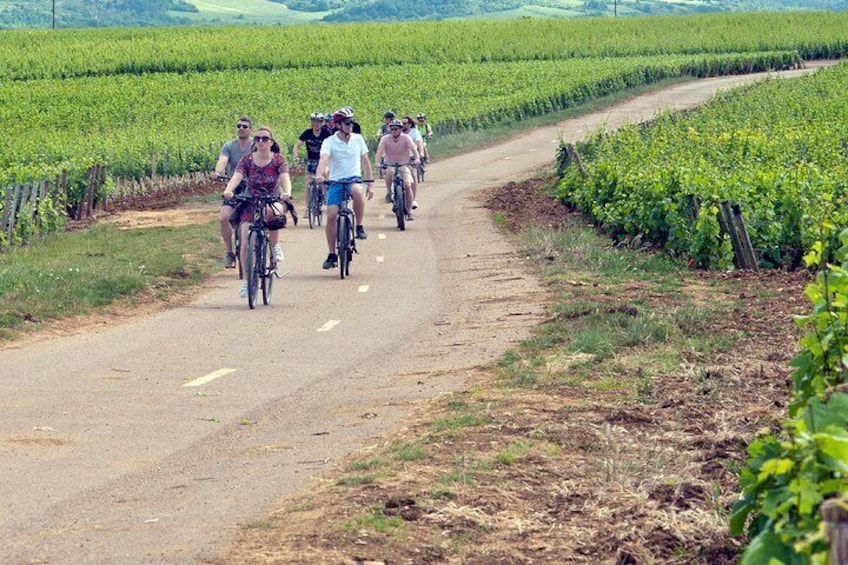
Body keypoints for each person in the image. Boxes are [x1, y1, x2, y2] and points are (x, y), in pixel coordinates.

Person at [222, 126, 292, 298]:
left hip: (271, 197)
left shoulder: (278, 160)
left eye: (264, 139)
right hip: (251, 200)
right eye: (258, 138)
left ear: (271, 142)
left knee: (273, 212)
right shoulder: (247, 160)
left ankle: (274, 246)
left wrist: (287, 192)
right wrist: (229, 190)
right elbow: (236, 177)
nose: (261, 142)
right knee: (245, 241)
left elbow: (285, 179)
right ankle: (247, 281)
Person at [315, 107, 375, 270]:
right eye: (347, 123)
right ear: (339, 125)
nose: (351, 126)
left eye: (352, 123)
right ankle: (331, 253)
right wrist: (319, 175)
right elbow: (323, 159)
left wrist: (370, 183)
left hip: (353, 178)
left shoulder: (358, 139)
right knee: (332, 214)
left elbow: (365, 162)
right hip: (335, 181)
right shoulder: (329, 142)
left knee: (357, 191)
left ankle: (359, 226)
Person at [209, 116, 254, 268]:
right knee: (223, 217)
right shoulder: (229, 146)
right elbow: (222, 161)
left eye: (244, 126)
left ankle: (260, 243)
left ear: (250, 129)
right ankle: (229, 252)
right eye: (239, 126)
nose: (241, 128)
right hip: (233, 187)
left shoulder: (255, 145)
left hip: (251, 187)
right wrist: (218, 172)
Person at [373, 119, 420, 220]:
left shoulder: (406, 138)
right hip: (390, 164)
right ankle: (389, 192)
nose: (394, 131)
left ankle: (409, 211)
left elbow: (413, 148)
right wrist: (377, 162)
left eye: (396, 129)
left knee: (408, 185)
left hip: (404, 164)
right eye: (392, 129)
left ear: (400, 130)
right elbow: (380, 151)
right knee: (389, 172)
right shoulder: (385, 139)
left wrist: (417, 158)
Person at [292, 112, 332, 215]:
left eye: (319, 122)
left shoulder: (326, 133)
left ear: (322, 123)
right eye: (314, 122)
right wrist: (296, 156)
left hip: (323, 160)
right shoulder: (307, 133)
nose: (316, 124)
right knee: (308, 181)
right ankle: (308, 207)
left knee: (324, 176)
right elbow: (297, 145)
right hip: (311, 160)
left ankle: (325, 199)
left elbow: (332, 145)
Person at [401, 116, 425, 210]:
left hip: (411, 157)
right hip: (399, 158)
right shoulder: (397, 131)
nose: (402, 125)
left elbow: (419, 142)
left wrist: (421, 153)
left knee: (413, 175)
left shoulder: (415, 132)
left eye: (405, 123)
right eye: (401, 123)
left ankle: (413, 199)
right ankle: (393, 194)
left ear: (409, 124)